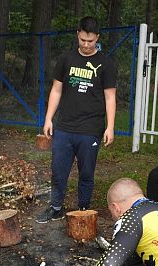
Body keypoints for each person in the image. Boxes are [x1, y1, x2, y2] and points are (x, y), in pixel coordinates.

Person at [36, 16, 117, 223]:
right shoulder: (66, 59)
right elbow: (56, 90)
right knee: (58, 170)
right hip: (64, 126)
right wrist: (48, 119)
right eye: (83, 40)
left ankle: (83, 210)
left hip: (91, 128)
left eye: (91, 41)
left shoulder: (106, 64)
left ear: (97, 37)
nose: (87, 45)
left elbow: (110, 97)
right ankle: (55, 207)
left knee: (86, 172)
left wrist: (110, 127)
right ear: (77, 35)